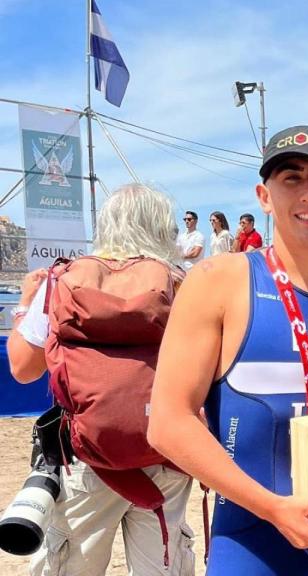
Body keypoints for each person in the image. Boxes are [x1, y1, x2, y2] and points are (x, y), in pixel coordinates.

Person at [148, 125, 308, 575]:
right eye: (291, 178)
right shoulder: (218, 281)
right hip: (251, 541)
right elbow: (167, 422)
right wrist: (273, 508)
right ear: (264, 195)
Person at [7, 183, 195, 576]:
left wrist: (24, 305)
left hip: (85, 456)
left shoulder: (63, 281)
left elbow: (23, 369)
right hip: (167, 453)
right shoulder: (183, 284)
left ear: (106, 225)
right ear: (164, 228)